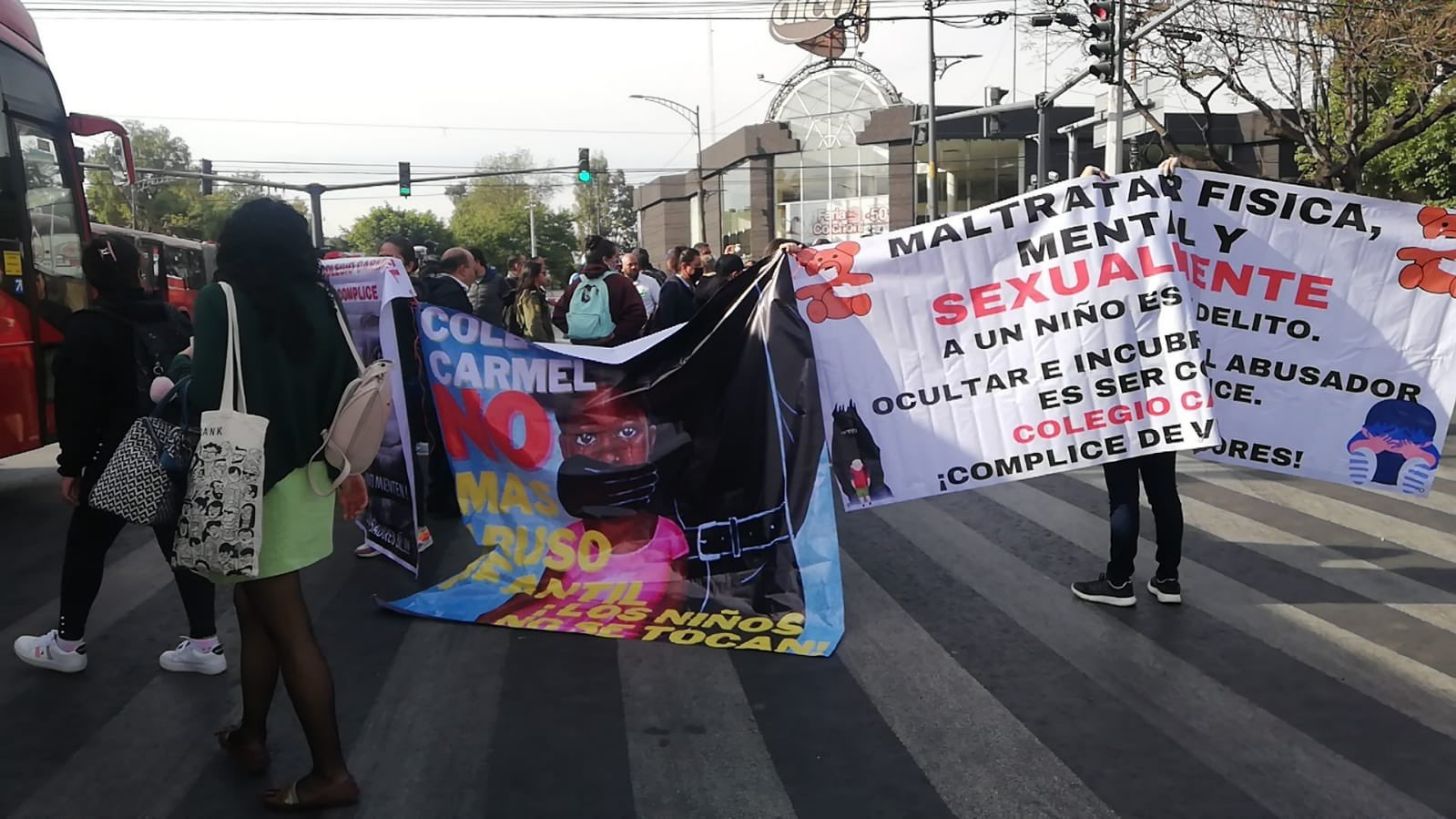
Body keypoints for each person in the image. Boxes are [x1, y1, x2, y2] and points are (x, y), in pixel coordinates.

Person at [183, 199, 368, 810]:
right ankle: (251, 735)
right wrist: (349, 472)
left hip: (245, 479)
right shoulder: (321, 300)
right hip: (307, 474)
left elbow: (206, 398)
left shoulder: (223, 300)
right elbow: (345, 385)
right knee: (255, 604)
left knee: (288, 625)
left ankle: (331, 772)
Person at [14, 237, 221, 676]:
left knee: (86, 547)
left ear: (89, 279)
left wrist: (72, 466)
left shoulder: (87, 327)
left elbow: (75, 407)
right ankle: (205, 643)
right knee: (180, 546)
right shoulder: (172, 318)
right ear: (138, 270)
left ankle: (67, 643)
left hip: (117, 457)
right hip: (172, 451)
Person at [1070, 157, 1185, 608]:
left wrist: (1079, 192)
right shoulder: (1165, 274)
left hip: (1116, 397)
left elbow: (1066, 248)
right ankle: (1168, 578)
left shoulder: (1098, 279)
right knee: (1164, 492)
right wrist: (1175, 175)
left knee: (1124, 495)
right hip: (1163, 397)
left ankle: (1119, 581)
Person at [478, 387, 688, 633]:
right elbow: (543, 593)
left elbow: (675, 599)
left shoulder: (668, 536)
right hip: (571, 634)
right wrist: (496, 615)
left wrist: (650, 632)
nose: (608, 454)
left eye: (627, 432)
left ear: (651, 439)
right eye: (586, 437)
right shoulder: (570, 539)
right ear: (565, 448)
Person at [552, 235, 646, 346]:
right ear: (605, 260)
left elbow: (558, 316)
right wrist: (615, 335)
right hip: (614, 348)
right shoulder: (621, 283)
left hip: (581, 349)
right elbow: (638, 315)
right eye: (615, 258)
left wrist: (575, 331)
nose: (618, 263)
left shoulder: (576, 284)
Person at [652, 246, 702, 330]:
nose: (700, 269)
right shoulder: (671, 287)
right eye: (696, 265)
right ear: (684, 266)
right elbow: (667, 319)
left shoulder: (691, 286)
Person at [507, 260, 556, 343]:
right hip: (535, 343)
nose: (547, 277)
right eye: (543, 273)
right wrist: (544, 343)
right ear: (535, 276)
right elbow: (533, 324)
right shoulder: (531, 296)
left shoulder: (537, 294)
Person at [419, 247, 477, 313]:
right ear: (463, 270)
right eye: (474, 269)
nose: (475, 274)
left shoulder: (426, 284)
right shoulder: (455, 295)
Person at [475, 255, 520, 329]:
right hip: (472, 329)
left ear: (477, 262)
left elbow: (509, 301)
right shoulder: (467, 281)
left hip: (494, 328)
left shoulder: (497, 279)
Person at [621, 249, 660, 320]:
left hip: (648, 323)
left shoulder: (650, 282)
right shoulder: (618, 285)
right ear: (622, 268)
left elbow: (660, 303)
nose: (634, 267)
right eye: (630, 265)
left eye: (635, 264)